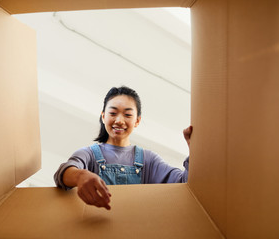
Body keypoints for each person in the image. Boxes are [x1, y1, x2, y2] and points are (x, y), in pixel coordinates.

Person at [54, 86, 192, 210]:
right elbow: (63, 174)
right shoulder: (88, 154)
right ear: (103, 117)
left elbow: (183, 184)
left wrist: (195, 151)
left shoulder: (149, 160)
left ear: (137, 121)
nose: (119, 120)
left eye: (127, 115)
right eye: (113, 113)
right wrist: (80, 176)